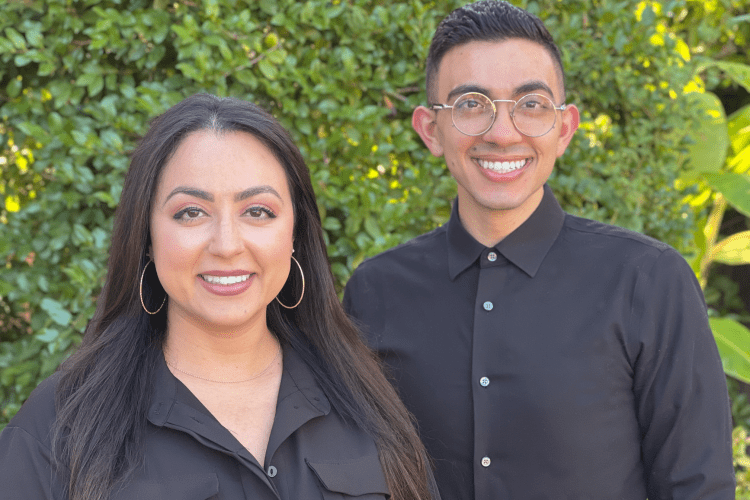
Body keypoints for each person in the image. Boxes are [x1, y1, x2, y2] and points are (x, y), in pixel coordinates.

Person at [343, 1, 735, 499]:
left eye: (530, 105)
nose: (503, 133)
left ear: (565, 128)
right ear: (430, 130)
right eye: (470, 105)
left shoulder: (648, 281)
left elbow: (698, 486)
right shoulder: (376, 292)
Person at [0, 93, 438, 500]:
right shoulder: (60, 427)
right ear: (147, 236)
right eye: (191, 212)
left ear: (294, 234)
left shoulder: (366, 402)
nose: (227, 244)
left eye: (257, 211)